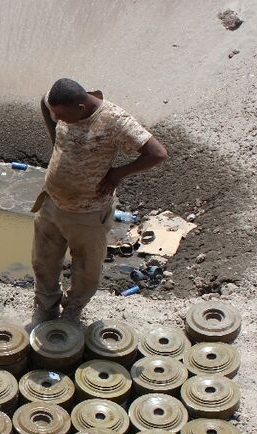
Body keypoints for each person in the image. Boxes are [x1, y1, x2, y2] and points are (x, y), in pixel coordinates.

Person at [31, 78, 168, 325]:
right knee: (43, 261)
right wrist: (56, 143)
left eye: (63, 117)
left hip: (88, 212)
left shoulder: (114, 120)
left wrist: (117, 174)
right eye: (56, 116)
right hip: (51, 203)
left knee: (86, 269)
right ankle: (46, 305)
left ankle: (73, 308)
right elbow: (44, 101)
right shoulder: (61, 105)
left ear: (80, 108)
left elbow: (157, 154)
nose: (59, 120)